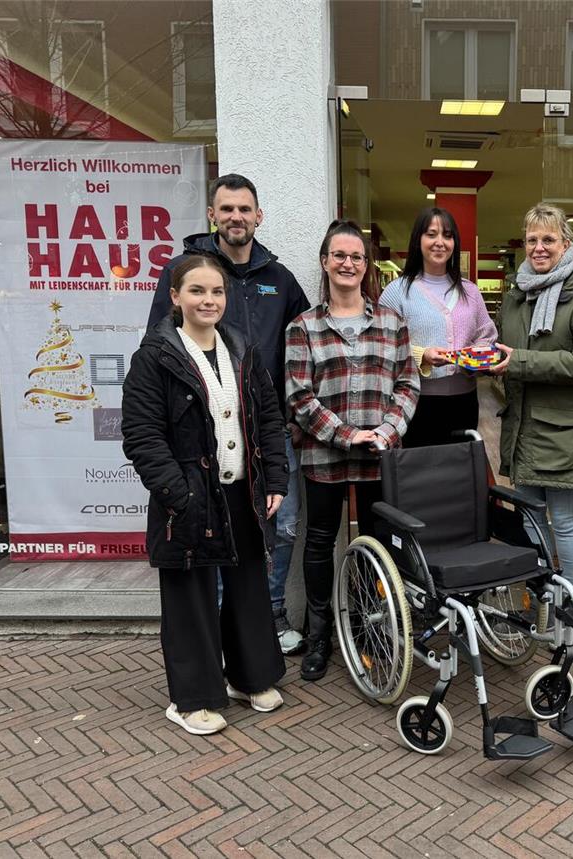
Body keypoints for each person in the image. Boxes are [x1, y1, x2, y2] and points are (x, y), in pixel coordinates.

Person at [123, 256, 289, 735]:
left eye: (216, 292)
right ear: (175, 297)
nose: (208, 300)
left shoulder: (242, 346)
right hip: (187, 499)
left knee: (248, 587)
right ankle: (192, 697)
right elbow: (141, 435)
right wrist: (178, 492)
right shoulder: (155, 354)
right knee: (189, 597)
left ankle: (249, 677)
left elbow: (269, 418)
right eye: (196, 291)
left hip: (242, 490)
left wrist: (274, 479)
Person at [148, 174, 309, 655]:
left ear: (258, 216)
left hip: (267, 429)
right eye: (227, 209)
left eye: (245, 209)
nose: (236, 217)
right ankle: (219, 629)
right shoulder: (185, 272)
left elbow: (304, 346)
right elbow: (159, 347)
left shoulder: (279, 280)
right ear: (213, 215)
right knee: (214, 528)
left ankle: (273, 614)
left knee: (279, 526)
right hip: (203, 433)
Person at [285, 220, 419, 681]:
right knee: (319, 541)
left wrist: (386, 429)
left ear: (367, 266)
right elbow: (299, 397)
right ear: (325, 262)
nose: (347, 263)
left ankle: (369, 627)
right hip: (324, 456)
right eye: (339, 255)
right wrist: (347, 434)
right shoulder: (303, 327)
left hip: (379, 455)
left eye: (356, 257)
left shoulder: (392, 323)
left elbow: (407, 384)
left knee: (380, 545)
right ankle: (320, 634)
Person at [490, 203, 573, 606]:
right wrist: (492, 362)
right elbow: (509, 350)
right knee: (529, 517)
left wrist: (519, 362)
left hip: (565, 431)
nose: (539, 248)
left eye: (548, 240)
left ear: (566, 243)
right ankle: (542, 595)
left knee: (565, 521)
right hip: (523, 427)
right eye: (532, 240)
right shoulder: (516, 295)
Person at [379, 207, 497, 447]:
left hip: (464, 402)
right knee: (421, 478)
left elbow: (487, 335)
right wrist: (422, 355)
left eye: (447, 235)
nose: (440, 242)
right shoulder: (397, 292)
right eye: (431, 234)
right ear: (417, 240)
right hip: (414, 403)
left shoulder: (471, 291)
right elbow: (382, 345)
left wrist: (474, 360)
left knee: (459, 476)